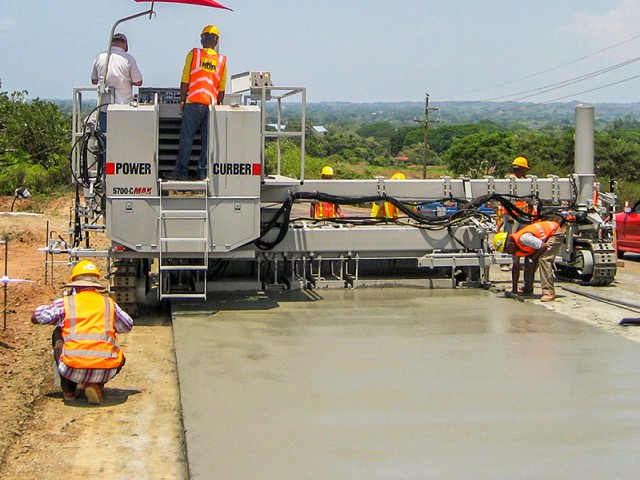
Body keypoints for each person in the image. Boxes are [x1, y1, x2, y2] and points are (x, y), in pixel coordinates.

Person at [31, 260, 133, 404]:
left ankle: (69, 391)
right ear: (96, 285)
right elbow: (128, 326)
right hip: (105, 370)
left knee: (58, 333)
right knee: (118, 354)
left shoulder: (66, 303)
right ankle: (95, 385)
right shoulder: (109, 304)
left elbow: (37, 317)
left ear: (75, 285)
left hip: (72, 369)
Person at [166, 25, 228, 181]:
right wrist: (218, 106)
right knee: (207, 141)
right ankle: (203, 172)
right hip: (211, 105)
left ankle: (181, 173)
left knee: (187, 138)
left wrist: (182, 100)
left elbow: (185, 79)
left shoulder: (194, 54)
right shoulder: (222, 61)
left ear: (202, 39)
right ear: (217, 41)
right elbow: (221, 88)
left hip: (193, 102)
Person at [493, 220, 564, 302]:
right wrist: (514, 290)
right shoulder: (513, 248)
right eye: (505, 252)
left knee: (543, 259)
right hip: (541, 241)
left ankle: (549, 292)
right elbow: (516, 267)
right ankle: (528, 289)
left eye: (508, 250)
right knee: (528, 261)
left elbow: (543, 247)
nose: (509, 252)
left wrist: (533, 257)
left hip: (554, 232)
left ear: (511, 244)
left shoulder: (524, 239)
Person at [91, 33, 143, 133]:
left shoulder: (100, 57)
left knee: (105, 136)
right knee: (122, 136)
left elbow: (94, 80)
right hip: (123, 105)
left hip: (103, 106)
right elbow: (138, 82)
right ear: (125, 44)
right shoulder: (128, 58)